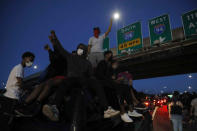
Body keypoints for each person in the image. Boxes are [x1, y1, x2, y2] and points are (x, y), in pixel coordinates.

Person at [41, 31, 119, 121]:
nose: (80, 49)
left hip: (83, 80)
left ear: (85, 51)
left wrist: (95, 83)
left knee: (95, 82)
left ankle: (107, 109)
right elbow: (60, 48)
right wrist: (55, 39)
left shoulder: (87, 62)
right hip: (71, 79)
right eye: (78, 48)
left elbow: (91, 75)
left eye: (81, 48)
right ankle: (54, 107)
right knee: (65, 82)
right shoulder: (70, 57)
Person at [15, 44, 67, 117]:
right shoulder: (52, 65)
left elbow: (57, 52)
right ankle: (24, 104)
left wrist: (52, 46)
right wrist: (49, 50)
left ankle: (36, 104)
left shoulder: (64, 60)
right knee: (41, 85)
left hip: (61, 78)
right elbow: (52, 58)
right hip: (51, 78)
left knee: (48, 83)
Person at [96, 51, 142, 123]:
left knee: (125, 86)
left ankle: (131, 110)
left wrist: (118, 79)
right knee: (120, 87)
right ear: (105, 55)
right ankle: (123, 113)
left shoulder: (112, 67)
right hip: (105, 82)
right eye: (108, 55)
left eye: (111, 55)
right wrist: (112, 80)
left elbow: (115, 76)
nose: (110, 56)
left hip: (111, 82)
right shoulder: (102, 63)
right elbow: (100, 75)